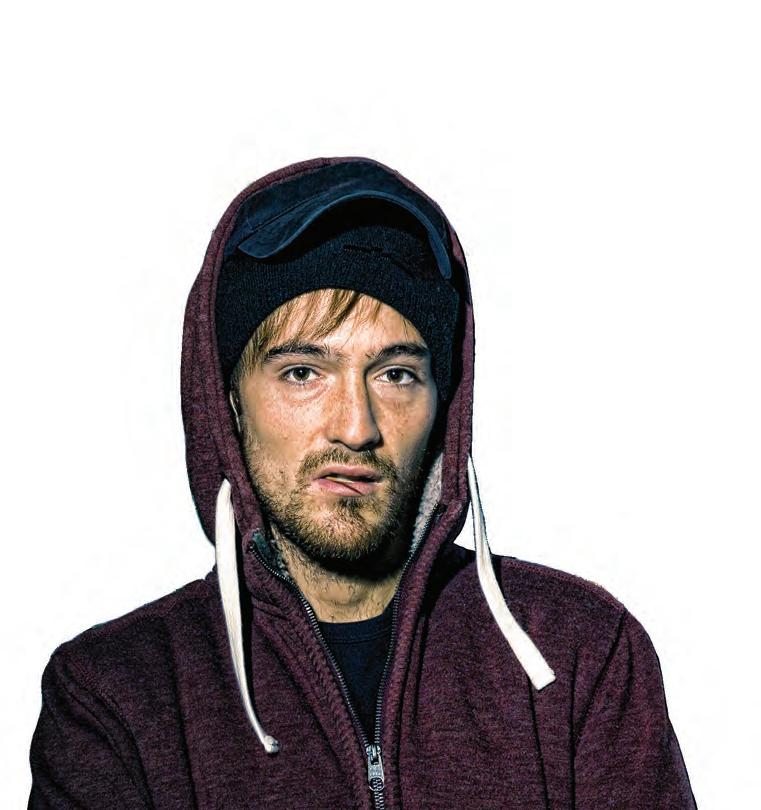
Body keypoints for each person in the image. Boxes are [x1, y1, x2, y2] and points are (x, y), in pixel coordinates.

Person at [28, 157, 697, 808]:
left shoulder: (579, 652)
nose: (355, 427)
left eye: (395, 374)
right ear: (228, 404)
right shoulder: (116, 697)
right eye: (302, 373)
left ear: (443, 404)